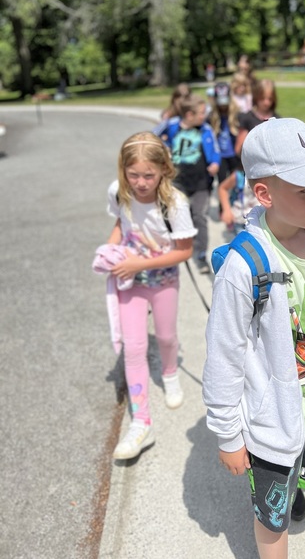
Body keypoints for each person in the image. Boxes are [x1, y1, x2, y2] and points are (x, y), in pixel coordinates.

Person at [203, 117, 305, 558]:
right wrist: (228, 434)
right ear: (264, 194)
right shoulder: (244, 267)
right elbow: (224, 354)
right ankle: (282, 489)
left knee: (303, 474)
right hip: (268, 416)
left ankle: (295, 483)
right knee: (271, 519)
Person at [105, 132, 196, 460]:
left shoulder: (175, 203)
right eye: (133, 175)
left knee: (167, 337)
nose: (141, 183)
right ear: (123, 170)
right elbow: (121, 224)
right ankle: (141, 422)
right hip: (129, 280)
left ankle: (170, 373)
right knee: (134, 348)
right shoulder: (119, 192)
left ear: (163, 170)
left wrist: (138, 263)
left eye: (148, 175)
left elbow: (184, 251)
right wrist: (110, 250)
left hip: (163, 281)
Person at [163, 94, 221, 274]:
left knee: (199, 216)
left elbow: (216, 150)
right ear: (189, 115)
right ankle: (173, 248)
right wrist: (164, 151)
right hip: (178, 181)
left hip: (201, 183)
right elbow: (156, 139)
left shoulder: (205, 129)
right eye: (202, 113)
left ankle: (201, 254)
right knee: (175, 214)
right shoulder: (172, 127)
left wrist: (215, 163)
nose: (205, 115)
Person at [235, 78, 279, 156]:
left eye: (270, 99)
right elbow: (238, 149)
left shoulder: (277, 120)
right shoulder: (247, 118)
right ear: (256, 97)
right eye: (262, 98)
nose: (266, 102)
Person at [207, 81, 240, 183]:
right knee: (222, 182)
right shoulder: (211, 117)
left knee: (237, 182)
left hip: (235, 155)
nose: (223, 107)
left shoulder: (238, 115)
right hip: (220, 156)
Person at [217, 157, 259, 234]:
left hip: (260, 221)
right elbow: (222, 188)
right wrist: (226, 210)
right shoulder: (239, 175)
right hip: (240, 219)